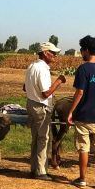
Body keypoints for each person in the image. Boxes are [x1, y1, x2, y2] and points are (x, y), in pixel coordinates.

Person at [67, 35, 95, 189]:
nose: (80, 53)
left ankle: (83, 179)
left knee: (83, 148)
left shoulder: (83, 69)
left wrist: (70, 112)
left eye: (81, 50)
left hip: (83, 117)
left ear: (86, 50)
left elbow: (79, 92)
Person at [23, 42, 66, 180]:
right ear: (45, 53)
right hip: (41, 106)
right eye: (53, 53)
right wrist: (59, 81)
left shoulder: (31, 66)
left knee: (35, 137)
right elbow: (45, 94)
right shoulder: (42, 69)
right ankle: (41, 171)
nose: (55, 55)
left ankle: (34, 168)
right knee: (44, 138)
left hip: (31, 104)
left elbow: (25, 87)